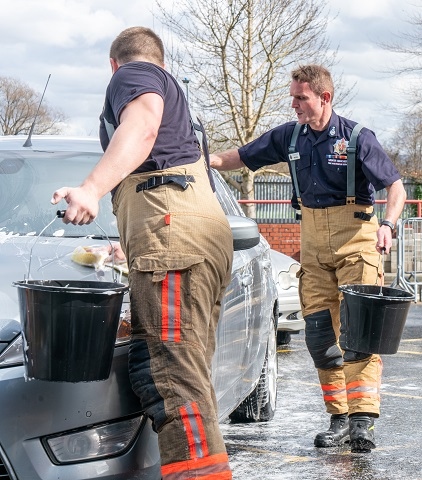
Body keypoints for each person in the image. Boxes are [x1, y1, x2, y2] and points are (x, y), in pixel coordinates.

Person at [51, 26, 233, 479]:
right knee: (188, 371)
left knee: (172, 375)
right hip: (193, 237)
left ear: (115, 65)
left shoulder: (132, 75)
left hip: (173, 241)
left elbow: (143, 125)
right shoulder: (181, 109)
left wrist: (92, 188)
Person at [210, 64, 406, 453]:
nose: (294, 103)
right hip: (314, 247)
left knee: (358, 336)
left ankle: (362, 421)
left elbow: (395, 186)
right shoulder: (290, 136)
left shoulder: (356, 138)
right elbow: (241, 157)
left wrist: (389, 224)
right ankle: (339, 418)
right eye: (293, 96)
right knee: (319, 336)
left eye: (301, 97)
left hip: (358, 242)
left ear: (324, 98)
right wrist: (203, 158)